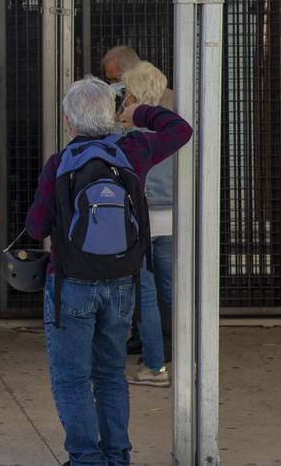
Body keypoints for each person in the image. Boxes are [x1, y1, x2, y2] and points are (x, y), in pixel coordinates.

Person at [26, 76, 191, 466]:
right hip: (121, 282)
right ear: (114, 117)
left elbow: (35, 227)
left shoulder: (59, 163)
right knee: (111, 374)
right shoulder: (134, 150)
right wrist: (140, 112)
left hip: (70, 283)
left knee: (71, 377)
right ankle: (116, 457)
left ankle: (86, 458)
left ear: (69, 122)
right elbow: (180, 129)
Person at [120, 62, 174, 388]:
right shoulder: (172, 129)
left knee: (147, 294)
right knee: (172, 290)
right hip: (172, 218)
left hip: (143, 220)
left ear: (134, 94)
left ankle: (155, 366)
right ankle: (189, 354)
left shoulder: (131, 135)